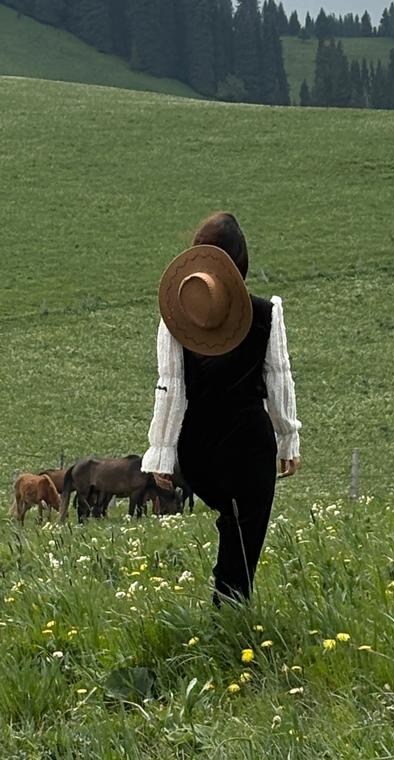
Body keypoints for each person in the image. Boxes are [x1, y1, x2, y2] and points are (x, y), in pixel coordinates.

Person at [141, 212, 300, 603]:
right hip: (250, 445)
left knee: (232, 522)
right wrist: (287, 440)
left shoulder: (176, 319)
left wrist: (161, 454)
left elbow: (171, 389)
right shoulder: (266, 313)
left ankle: (226, 604)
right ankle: (231, 608)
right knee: (244, 529)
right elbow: (279, 377)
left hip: (199, 448)